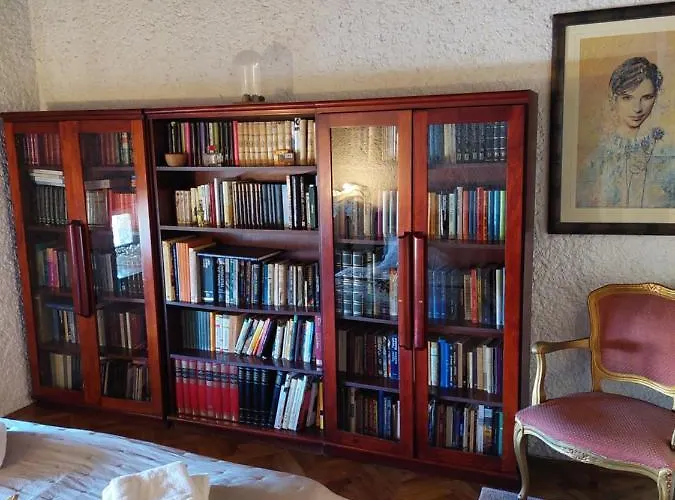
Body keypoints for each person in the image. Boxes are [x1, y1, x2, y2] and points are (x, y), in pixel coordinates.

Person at [577, 56, 675, 208]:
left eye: (647, 97)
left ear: (656, 97)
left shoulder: (667, 154)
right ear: (613, 98)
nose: (637, 108)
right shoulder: (597, 158)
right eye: (627, 98)